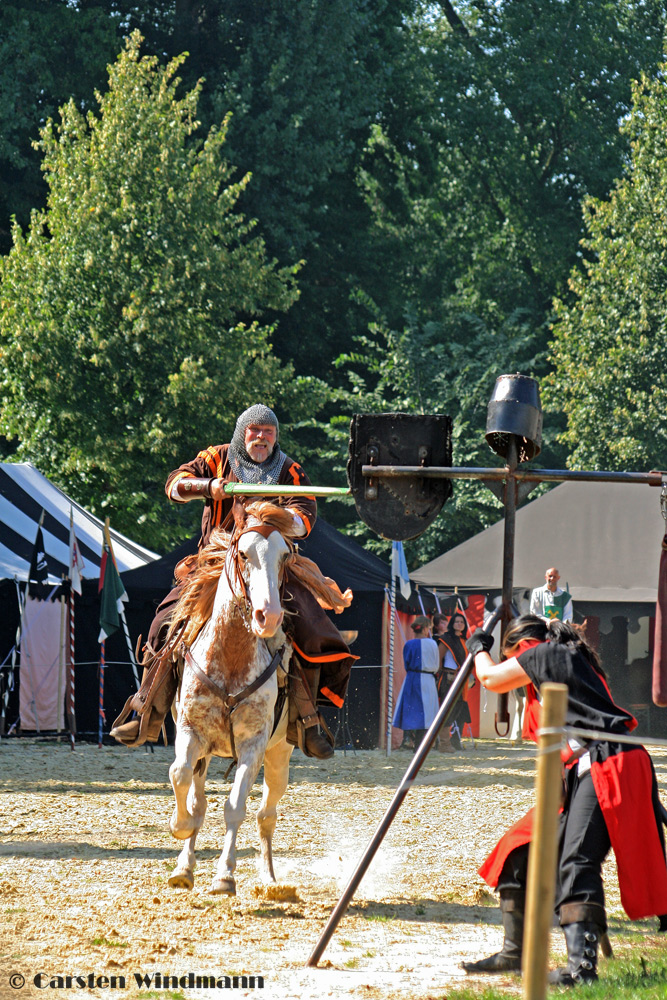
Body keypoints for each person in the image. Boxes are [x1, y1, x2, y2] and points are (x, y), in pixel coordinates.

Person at [111, 404, 355, 760]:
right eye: (255, 431)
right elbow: (175, 485)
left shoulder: (289, 469)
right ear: (243, 433)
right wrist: (211, 487)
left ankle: (307, 720)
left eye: (268, 432)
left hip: (272, 565)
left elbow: (305, 515)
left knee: (310, 628)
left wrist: (277, 517)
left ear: (275, 437)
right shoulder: (217, 457)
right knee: (164, 623)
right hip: (214, 563)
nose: (261, 438)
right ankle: (147, 710)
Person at [462, 615, 667, 986]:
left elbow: (490, 678)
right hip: (585, 772)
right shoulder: (567, 662)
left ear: (522, 648)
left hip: (610, 763)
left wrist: (477, 648)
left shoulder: (545, 654)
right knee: (517, 848)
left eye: (514, 658)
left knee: (577, 860)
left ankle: (581, 970)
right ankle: (514, 952)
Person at [393, 616, 440, 751]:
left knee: (410, 709)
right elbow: (436, 664)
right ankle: (420, 743)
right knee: (426, 711)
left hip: (412, 678)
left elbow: (406, 663)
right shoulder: (432, 644)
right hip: (427, 679)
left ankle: (408, 740)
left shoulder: (409, 644)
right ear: (425, 629)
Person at [436, 611, 473, 751]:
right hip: (448, 679)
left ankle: (451, 741)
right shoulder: (447, 639)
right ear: (452, 624)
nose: (459, 624)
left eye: (462, 622)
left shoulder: (464, 641)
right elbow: (438, 658)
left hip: (461, 679)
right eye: (457, 621)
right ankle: (444, 744)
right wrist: (440, 674)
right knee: (447, 709)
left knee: (458, 708)